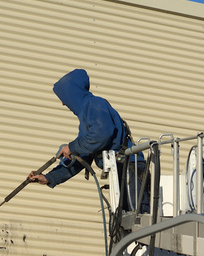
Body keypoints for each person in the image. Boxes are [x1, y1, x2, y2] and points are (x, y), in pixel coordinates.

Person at [27, 69, 148, 212]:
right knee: (124, 225)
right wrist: (48, 178)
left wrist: (71, 147)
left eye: (64, 98)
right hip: (120, 169)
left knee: (138, 222)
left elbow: (101, 135)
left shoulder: (95, 104)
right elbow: (81, 157)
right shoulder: (86, 116)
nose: (63, 104)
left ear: (73, 93)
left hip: (130, 168)